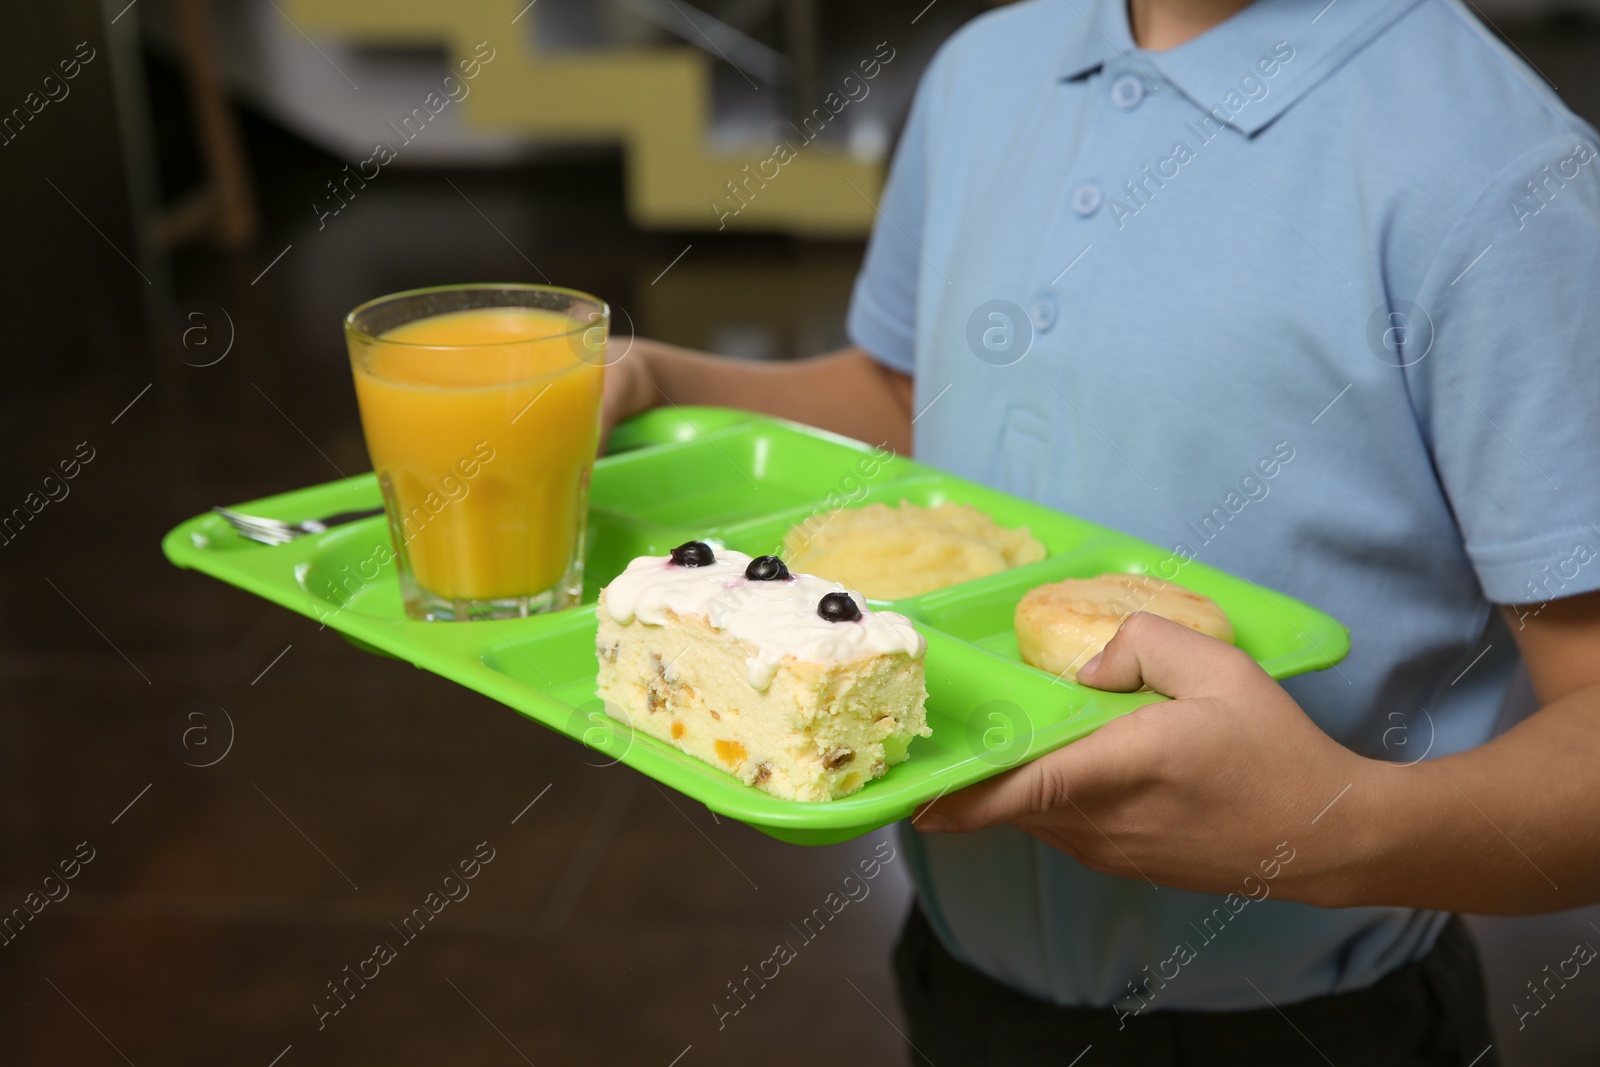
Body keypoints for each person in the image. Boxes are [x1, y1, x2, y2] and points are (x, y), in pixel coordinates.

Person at [603, 0, 1600, 1062]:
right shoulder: (981, 72)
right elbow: (914, 401)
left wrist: (1330, 831)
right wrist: (661, 379)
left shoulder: (1499, 168)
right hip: (959, 977)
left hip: (1311, 1027)